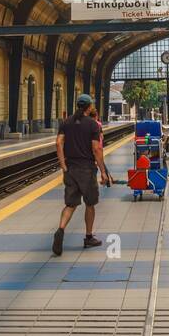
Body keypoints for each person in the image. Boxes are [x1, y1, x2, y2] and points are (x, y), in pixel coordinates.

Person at [52, 94, 113, 256]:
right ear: (89, 107)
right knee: (90, 204)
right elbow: (96, 149)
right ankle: (88, 237)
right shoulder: (92, 125)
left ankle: (60, 230)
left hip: (70, 168)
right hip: (86, 169)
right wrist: (103, 172)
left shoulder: (67, 122)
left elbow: (58, 143)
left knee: (70, 204)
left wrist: (63, 165)